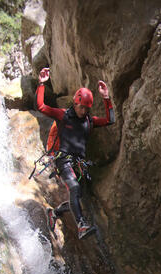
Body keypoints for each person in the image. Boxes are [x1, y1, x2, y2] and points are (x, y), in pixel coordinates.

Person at [36, 67, 115, 240]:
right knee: (74, 187)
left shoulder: (89, 121)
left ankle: (54, 213)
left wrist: (106, 98)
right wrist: (42, 84)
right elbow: (41, 107)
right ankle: (81, 226)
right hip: (62, 159)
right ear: (75, 103)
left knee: (80, 197)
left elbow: (111, 120)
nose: (83, 111)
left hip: (79, 163)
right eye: (81, 107)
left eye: (86, 108)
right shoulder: (64, 116)